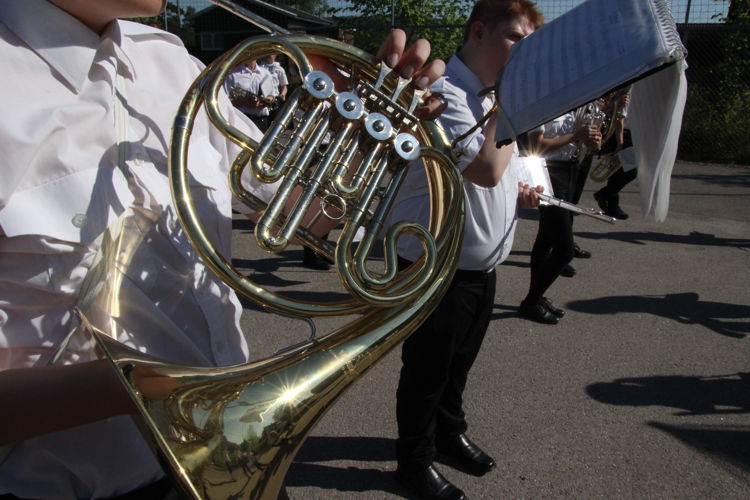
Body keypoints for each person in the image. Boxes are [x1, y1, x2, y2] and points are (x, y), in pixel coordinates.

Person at [0, 1, 444, 497]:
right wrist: (141, 387)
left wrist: (369, 142)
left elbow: (297, 213)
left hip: (233, 450)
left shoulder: (171, 62)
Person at [388, 1, 544, 498]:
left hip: (479, 263)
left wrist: (520, 187)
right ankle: (413, 462)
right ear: (479, 32)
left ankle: (448, 434)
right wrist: (510, 107)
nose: (523, 52)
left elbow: (501, 174)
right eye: (515, 38)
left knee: (459, 364)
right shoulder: (444, 93)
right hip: (439, 264)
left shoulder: (491, 99)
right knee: (427, 370)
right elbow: (483, 169)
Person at [519, 105, 603, 324]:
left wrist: (594, 141)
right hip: (548, 171)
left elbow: (588, 141)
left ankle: (536, 298)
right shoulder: (546, 101)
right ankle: (530, 301)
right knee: (565, 250)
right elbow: (536, 145)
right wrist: (575, 135)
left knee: (546, 238)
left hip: (571, 169)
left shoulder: (583, 103)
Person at [593, 91, 636, 219]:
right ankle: (609, 200)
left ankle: (608, 199)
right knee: (628, 171)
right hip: (622, 135)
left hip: (629, 134)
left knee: (621, 171)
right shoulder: (625, 92)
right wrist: (620, 142)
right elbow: (619, 118)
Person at [225, 57, 278, 132]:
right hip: (242, 120)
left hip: (261, 120)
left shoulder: (265, 73)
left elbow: (271, 95)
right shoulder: (233, 75)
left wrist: (265, 101)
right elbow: (225, 100)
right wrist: (244, 103)